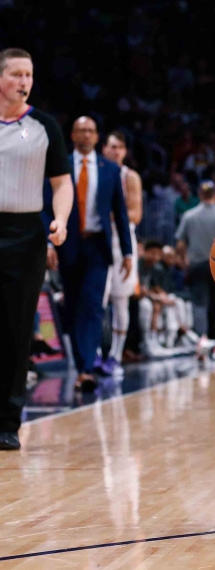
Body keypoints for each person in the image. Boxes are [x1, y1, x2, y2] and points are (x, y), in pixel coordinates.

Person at [0, 48, 72, 450]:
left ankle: (7, 423)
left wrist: (59, 219)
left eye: (29, 74)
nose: (24, 81)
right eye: (16, 74)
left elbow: (62, 184)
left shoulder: (45, 125)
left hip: (27, 232)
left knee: (16, 328)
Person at [51, 116, 132, 393]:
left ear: (97, 137)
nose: (86, 135)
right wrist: (49, 244)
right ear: (72, 135)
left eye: (90, 131)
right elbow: (45, 206)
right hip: (68, 243)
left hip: (99, 246)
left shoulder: (109, 169)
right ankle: (82, 362)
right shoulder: (59, 167)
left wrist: (129, 252)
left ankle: (87, 369)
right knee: (73, 306)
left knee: (94, 306)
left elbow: (121, 215)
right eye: (81, 130)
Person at [100, 131, 143, 377]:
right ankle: (93, 355)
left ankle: (115, 356)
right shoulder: (97, 171)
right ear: (103, 148)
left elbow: (135, 216)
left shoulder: (130, 177)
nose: (116, 151)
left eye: (120, 147)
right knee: (97, 301)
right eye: (112, 146)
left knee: (120, 301)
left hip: (122, 242)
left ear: (125, 151)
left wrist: (108, 216)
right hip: (99, 241)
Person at [174, 181, 215, 353]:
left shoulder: (189, 216)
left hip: (197, 265)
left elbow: (179, 244)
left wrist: (183, 261)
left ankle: (202, 341)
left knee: (199, 304)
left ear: (199, 195)